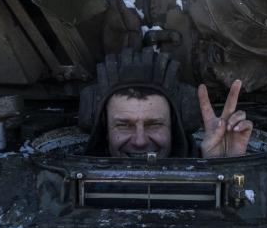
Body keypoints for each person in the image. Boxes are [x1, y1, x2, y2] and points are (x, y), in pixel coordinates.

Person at [80, 50, 253, 158]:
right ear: (105, 127)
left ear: (174, 125)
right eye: (124, 125)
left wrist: (223, 165)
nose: (140, 142)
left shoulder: (216, 162)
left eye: (154, 124)